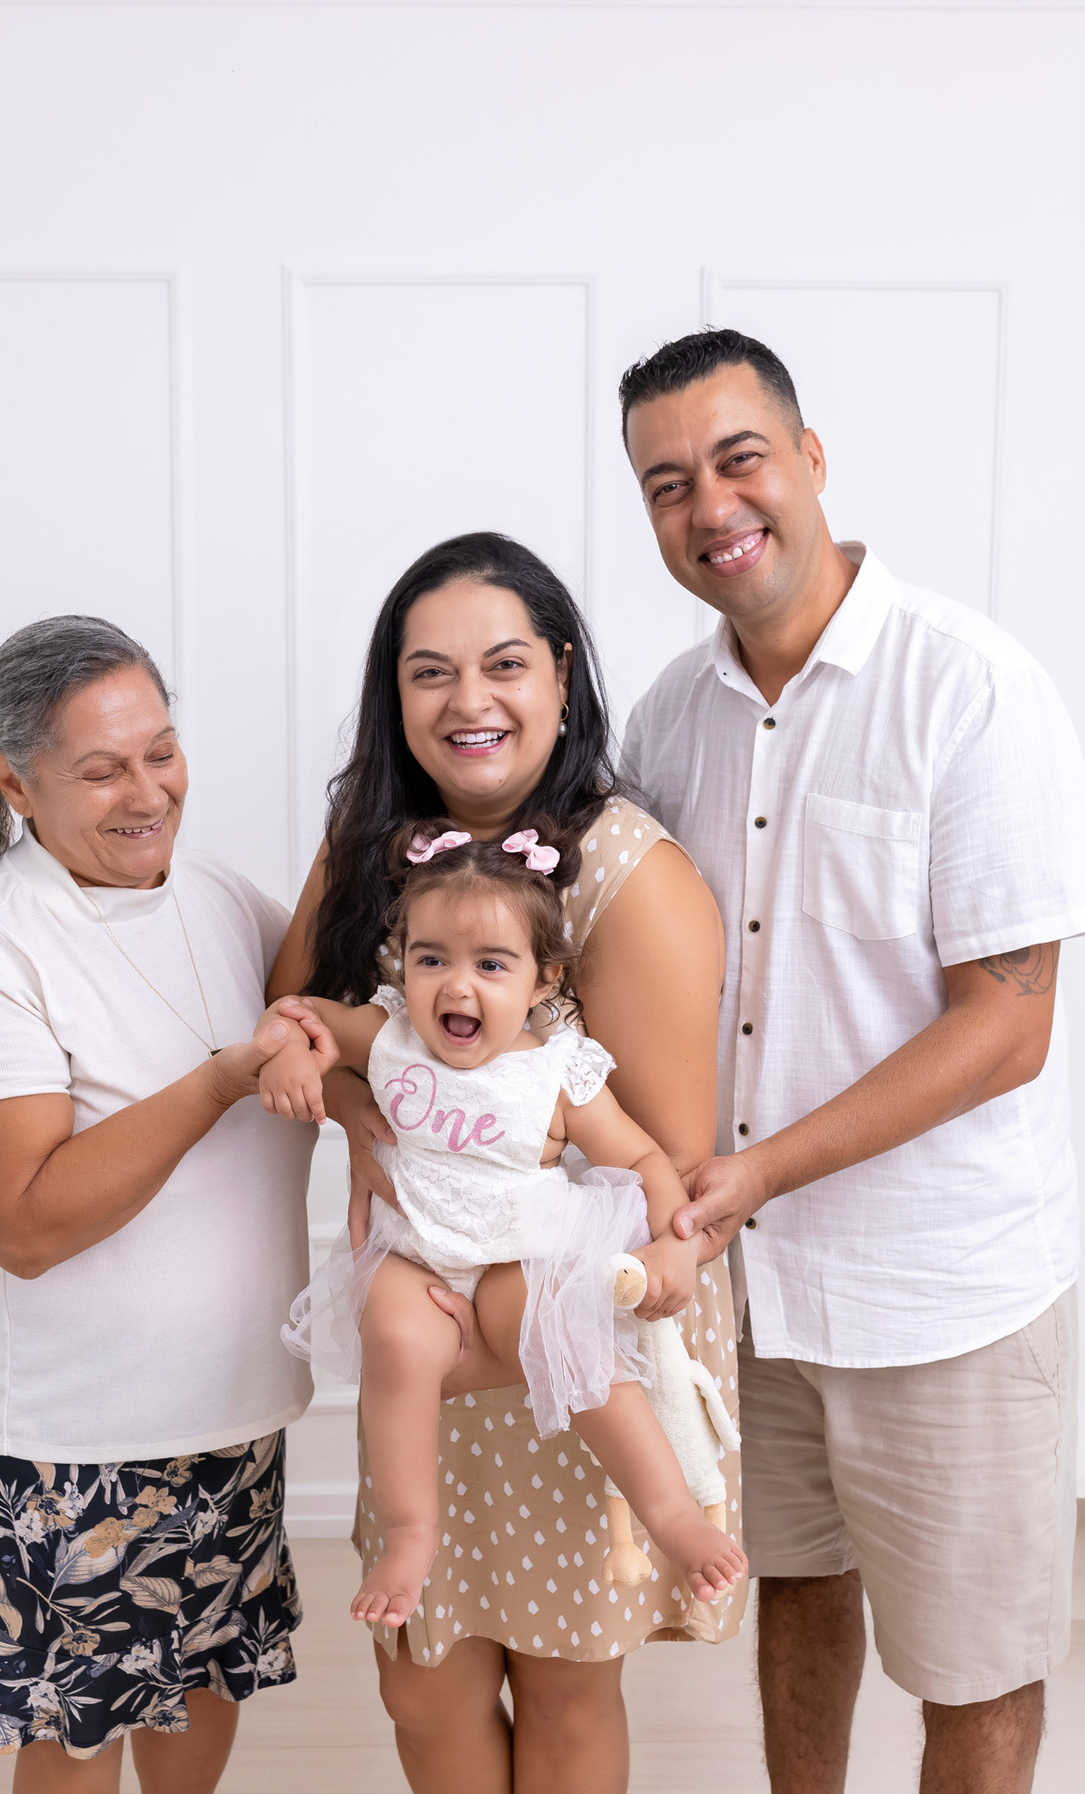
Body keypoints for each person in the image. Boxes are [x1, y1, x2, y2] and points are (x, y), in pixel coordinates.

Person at [619, 327, 1085, 1794]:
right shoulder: (665, 718)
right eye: (667, 483)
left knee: (975, 1668)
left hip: (941, 1289)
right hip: (747, 1292)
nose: (711, 508)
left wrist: (754, 1172)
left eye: (739, 459)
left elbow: (1007, 1026)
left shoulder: (974, 689)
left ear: (812, 462)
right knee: (799, 1596)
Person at [268, 531, 742, 1794]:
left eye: (503, 664)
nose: (467, 701)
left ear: (563, 671)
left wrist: (493, 1325)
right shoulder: (374, 840)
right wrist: (370, 1114)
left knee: (565, 1675)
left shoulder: (624, 871)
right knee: (423, 1681)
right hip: (423, 1303)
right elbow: (302, 1021)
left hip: (560, 1329)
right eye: (429, 672)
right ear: (395, 695)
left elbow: (666, 1157)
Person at [0, 617, 313, 1794]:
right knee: (77, 1740)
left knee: (202, 1690)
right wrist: (221, 1077)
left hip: (229, 1414)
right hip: (73, 1450)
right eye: (103, 769)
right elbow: (25, 1222)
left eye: (163, 751)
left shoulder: (227, 899)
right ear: (12, 780)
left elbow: (328, 1038)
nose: (149, 793)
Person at [265, 820, 746, 1626]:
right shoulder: (389, 1037)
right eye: (432, 960)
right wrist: (290, 1052)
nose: (457, 987)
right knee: (396, 1338)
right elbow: (295, 1016)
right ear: (404, 962)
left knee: (567, 1337)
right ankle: (410, 1533)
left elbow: (645, 1160)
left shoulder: (557, 1072)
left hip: (520, 1256)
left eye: (491, 965)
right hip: (416, 1256)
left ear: (541, 978)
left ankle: (671, 1513)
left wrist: (673, 1243)